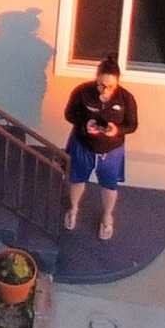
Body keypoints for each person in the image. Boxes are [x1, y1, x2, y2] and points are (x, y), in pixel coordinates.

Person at [60, 54, 138, 240]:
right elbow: (70, 114)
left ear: (118, 82)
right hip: (83, 144)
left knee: (109, 185)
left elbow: (132, 125)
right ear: (96, 79)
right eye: (101, 84)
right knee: (77, 179)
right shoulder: (82, 91)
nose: (105, 89)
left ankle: (107, 216)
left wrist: (117, 130)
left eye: (111, 86)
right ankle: (73, 208)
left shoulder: (126, 98)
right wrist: (84, 125)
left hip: (111, 149)